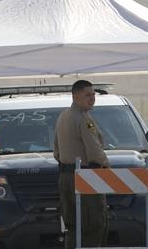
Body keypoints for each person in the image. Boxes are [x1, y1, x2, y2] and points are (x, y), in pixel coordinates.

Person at [54, 79, 109, 249]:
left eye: (93, 95)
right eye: (87, 95)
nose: (92, 98)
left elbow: (56, 152)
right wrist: (106, 166)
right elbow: (94, 151)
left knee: (73, 227)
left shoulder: (63, 116)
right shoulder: (84, 119)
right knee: (93, 225)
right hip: (85, 178)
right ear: (76, 96)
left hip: (65, 177)